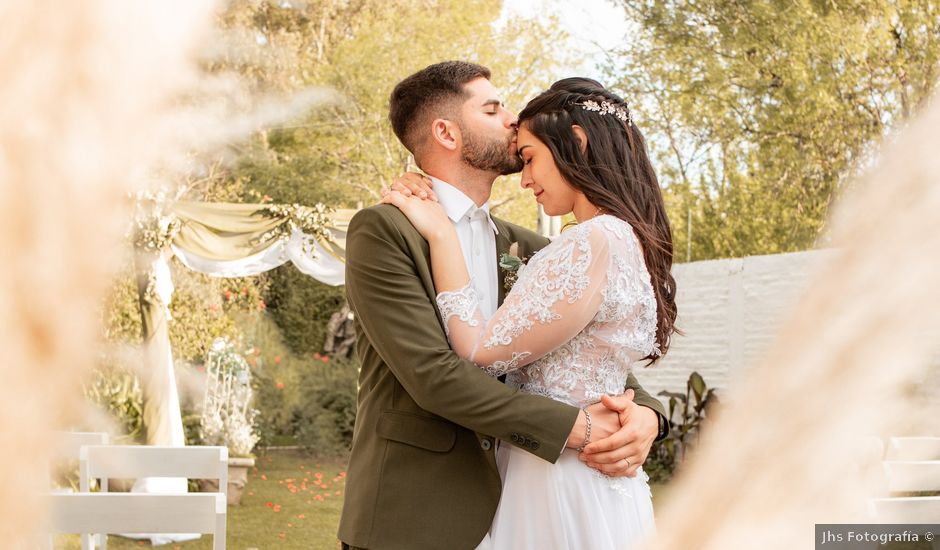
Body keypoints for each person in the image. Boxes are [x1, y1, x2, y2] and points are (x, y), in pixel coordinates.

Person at [339, 61, 668, 550]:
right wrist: (573, 428)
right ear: (446, 133)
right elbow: (434, 375)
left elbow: (588, 347)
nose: (513, 120)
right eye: (493, 109)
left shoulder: (533, 247)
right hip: (418, 516)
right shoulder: (385, 231)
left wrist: (646, 414)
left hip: (533, 508)